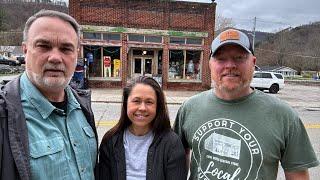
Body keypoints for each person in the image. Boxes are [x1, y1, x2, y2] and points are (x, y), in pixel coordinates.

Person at [174, 29, 319, 180]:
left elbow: (298, 176)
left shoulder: (285, 116)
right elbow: (176, 164)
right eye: (221, 58)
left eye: (239, 57)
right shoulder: (189, 108)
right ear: (210, 64)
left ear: (253, 63)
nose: (230, 65)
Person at [0, 10, 98, 179]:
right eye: (44, 46)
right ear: (25, 50)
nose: (55, 58)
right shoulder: (4, 115)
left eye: (66, 48)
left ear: (77, 54)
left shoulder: (83, 107)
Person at [96, 76, 187, 180]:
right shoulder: (110, 140)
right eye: (136, 101)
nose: (142, 108)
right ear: (126, 103)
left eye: (149, 102)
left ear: (158, 106)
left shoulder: (172, 143)